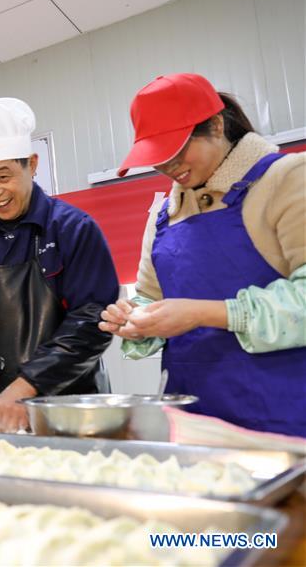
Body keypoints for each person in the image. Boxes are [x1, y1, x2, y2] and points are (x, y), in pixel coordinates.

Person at [99, 73, 306, 437]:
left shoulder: (287, 179)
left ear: (215, 125)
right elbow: (152, 298)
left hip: (281, 415)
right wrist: (135, 320)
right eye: (158, 159)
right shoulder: (165, 214)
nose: (170, 168)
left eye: (177, 151)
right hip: (192, 420)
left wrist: (201, 314)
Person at [0, 98, 119, 432]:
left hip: (76, 404)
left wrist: (26, 388)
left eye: (3, 176)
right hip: (4, 412)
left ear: (32, 164)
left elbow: (90, 322)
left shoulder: (73, 229)